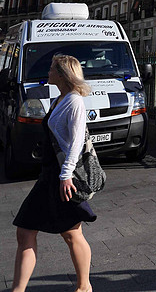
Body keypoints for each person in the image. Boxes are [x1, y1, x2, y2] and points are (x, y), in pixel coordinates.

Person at [12, 55, 96, 292]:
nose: (47, 73)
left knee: (71, 233)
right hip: (49, 175)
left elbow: (77, 142)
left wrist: (66, 175)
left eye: (51, 69)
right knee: (26, 230)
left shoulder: (74, 102)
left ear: (62, 74)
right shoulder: (60, 98)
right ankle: (18, 289)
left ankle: (84, 286)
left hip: (60, 177)